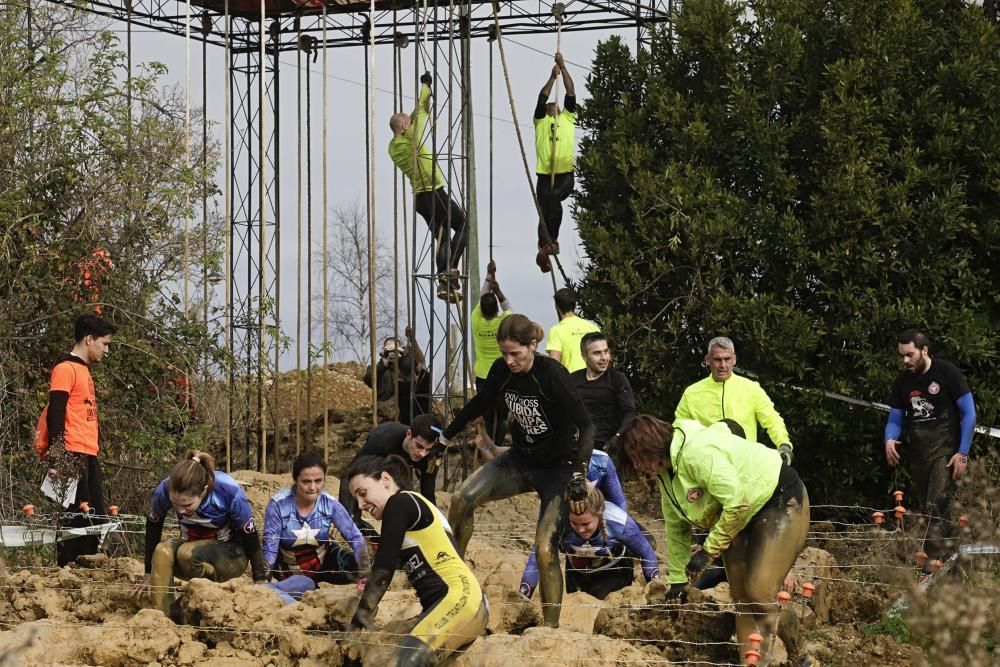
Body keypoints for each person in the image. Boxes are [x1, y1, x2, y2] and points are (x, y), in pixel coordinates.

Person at [442, 314, 595, 627]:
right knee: (461, 499)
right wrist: (444, 435)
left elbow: (588, 425)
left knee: (544, 547)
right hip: (520, 461)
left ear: (533, 346)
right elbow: (479, 403)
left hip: (559, 470)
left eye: (516, 354)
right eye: (504, 354)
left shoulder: (552, 375)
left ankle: (550, 627)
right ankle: (453, 577)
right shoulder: (502, 371)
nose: (509, 361)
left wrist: (579, 473)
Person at [619, 416, 809, 665]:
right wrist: (677, 581)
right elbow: (676, 527)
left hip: (777, 497)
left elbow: (738, 502)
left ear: (649, 447)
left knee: (761, 591)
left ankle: (801, 657)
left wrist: (708, 552)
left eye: (636, 459)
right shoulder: (666, 473)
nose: (637, 467)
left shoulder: (696, 452)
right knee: (742, 597)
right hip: (737, 514)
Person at [346, 455, 488, 665]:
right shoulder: (415, 506)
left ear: (385, 479)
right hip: (466, 605)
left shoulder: (399, 502)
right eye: (356, 499)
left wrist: (357, 624)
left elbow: (382, 572)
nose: (360, 504)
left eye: (363, 493)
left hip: (458, 601)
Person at [884, 328, 975, 567]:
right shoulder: (902, 383)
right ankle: (952, 564)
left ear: (924, 350)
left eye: (910, 355)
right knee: (931, 512)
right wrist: (890, 439)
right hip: (919, 455)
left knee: (936, 509)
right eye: (902, 355)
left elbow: (969, 413)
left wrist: (962, 453)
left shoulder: (946, 373)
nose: (905, 360)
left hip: (946, 452)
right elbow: (895, 418)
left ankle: (928, 567)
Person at [138, 451, 268, 617]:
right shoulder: (164, 490)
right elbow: (153, 526)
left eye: (187, 505)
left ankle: (206, 602)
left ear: (204, 490)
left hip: (230, 557)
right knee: (162, 551)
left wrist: (260, 578)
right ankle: (165, 615)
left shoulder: (228, 491)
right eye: (175, 504)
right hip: (190, 549)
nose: (180, 510)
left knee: (187, 553)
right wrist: (148, 573)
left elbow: (250, 535)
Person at [35, 314, 117, 567]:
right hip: (70, 454)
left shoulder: (83, 371)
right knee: (76, 520)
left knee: (95, 517)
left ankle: (88, 570)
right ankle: (69, 571)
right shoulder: (65, 369)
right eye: (104, 343)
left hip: (86, 452)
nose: (106, 350)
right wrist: (58, 456)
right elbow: (56, 413)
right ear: (89, 339)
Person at [389, 71, 467, 302]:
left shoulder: (393, 147)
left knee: (441, 237)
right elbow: (422, 110)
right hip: (434, 193)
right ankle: (450, 269)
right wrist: (426, 86)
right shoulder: (412, 138)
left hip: (420, 200)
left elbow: (415, 115)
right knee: (463, 224)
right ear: (405, 125)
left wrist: (420, 104)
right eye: (409, 122)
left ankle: (444, 280)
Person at [261, 452, 369, 604]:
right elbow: (270, 550)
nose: (313, 487)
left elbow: (356, 538)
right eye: (306, 481)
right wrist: (261, 581)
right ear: (295, 480)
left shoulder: (330, 504)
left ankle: (278, 592)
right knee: (305, 584)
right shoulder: (279, 505)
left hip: (323, 561)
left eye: (318, 481)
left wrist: (365, 575)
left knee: (356, 563)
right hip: (290, 568)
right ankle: (273, 591)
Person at [519, 488, 658, 601]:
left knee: (596, 600)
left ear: (599, 513)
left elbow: (646, 552)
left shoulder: (618, 521)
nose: (580, 529)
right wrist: (524, 596)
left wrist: (654, 590)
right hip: (576, 570)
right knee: (576, 603)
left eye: (586, 524)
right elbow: (535, 560)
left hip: (615, 570)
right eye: (575, 523)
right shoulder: (558, 522)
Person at [674, 336, 793, 462]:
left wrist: (783, 444)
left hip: (746, 465)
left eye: (727, 359)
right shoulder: (692, 393)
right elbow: (679, 428)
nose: (723, 365)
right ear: (708, 360)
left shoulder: (751, 389)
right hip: (707, 466)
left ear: (734, 360)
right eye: (717, 359)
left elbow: (772, 420)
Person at [476, 425, 626, 511]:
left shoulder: (599, 459)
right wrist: (483, 439)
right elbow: (498, 453)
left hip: (597, 503)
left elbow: (620, 505)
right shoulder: (539, 456)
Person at [338, 414, 446, 527]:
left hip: (401, 468)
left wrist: (435, 525)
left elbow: (428, 493)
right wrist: (349, 518)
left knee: (406, 499)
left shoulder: (430, 455)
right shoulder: (382, 440)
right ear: (409, 434)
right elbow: (350, 475)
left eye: (427, 449)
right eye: (418, 446)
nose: (422, 453)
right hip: (381, 455)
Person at [534, 52, 576, 258]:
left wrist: (564, 67)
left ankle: (554, 239)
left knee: (553, 199)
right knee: (543, 210)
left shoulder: (567, 118)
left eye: (555, 104)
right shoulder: (541, 122)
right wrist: (552, 77)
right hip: (544, 174)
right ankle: (543, 244)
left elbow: (570, 91)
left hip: (565, 174)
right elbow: (542, 98)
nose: (553, 103)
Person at [570, 332, 636, 451]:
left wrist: (617, 438)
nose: (604, 358)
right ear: (584, 356)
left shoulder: (617, 379)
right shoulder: (572, 380)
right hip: (578, 447)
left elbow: (629, 413)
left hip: (608, 448)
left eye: (606, 351)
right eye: (597, 353)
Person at [471, 259, 512, 445]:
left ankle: (488, 446)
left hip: (482, 376)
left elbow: (482, 295)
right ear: (496, 310)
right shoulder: (502, 324)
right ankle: (498, 445)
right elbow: (508, 308)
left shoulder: (475, 320)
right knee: (502, 416)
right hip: (501, 375)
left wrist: (489, 276)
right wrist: (498, 291)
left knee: (488, 416)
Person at [546, 288, 599, 373]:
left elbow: (554, 364)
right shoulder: (592, 327)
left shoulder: (556, 330)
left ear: (556, 307)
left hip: (571, 380)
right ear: (575, 304)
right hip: (594, 379)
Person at [397, 327, 432, 426]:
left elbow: (400, 373)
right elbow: (422, 362)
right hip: (424, 425)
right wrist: (412, 338)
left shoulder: (400, 388)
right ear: (415, 368)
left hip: (406, 427)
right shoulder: (424, 381)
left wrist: (404, 355)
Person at [363, 337, 402, 403]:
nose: (391, 353)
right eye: (389, 349)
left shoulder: (402, 368)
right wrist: (383, 364)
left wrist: (402, 360)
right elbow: (367, 380)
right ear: (383, 349)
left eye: (394, 350)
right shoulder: (375, 367)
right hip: (382, 408)